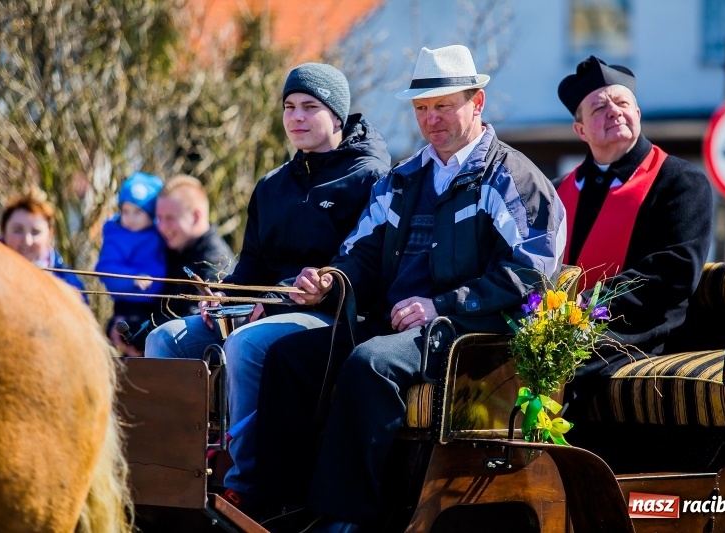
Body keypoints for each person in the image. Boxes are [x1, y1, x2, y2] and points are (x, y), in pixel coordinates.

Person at [246, 45, 566, 532]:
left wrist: (439, 305)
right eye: (421, 108)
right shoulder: (403, 178)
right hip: (397, 324)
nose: (431, 119)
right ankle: (277, 508)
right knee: (291, 357)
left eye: (443, 105)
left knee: (370, 364)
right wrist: (330, 280)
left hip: (468, 330)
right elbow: (363, 253)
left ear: (476, 103)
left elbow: (532, 273)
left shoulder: (512, 177)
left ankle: (345, 519)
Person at [145, 63, 391, 502]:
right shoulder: (271, 185)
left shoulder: (370, 179)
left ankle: (244, 486)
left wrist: (278, 302)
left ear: (337, 115)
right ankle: (167, 473)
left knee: (247, 345)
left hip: (328, 317)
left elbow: (358, 268)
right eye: (289, 107)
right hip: (264, 307)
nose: (296, 117)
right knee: (166, 340)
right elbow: (251, 265)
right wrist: (226, 295)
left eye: (310, 107)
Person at [554, 56, 713, 384]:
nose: (613, 110)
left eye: (622, 102)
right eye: (599, 108)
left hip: (641, 332)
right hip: (565, 325)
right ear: (580, 130)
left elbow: (677, 268)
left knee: (554, 364)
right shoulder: (556, 193)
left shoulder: (679, 182)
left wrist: (595, 302)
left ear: (637, 113)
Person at [95, 171, 166, 356]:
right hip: (130, 307)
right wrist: (132, 278)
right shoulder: (117, 236)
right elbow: (107, 269)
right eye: (125, 211)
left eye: (137, 212)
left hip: (158, 305)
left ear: (151, 214)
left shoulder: (160, 234)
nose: (130, 218)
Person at [153, 174, 236, 320]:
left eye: (170, 218)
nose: (162, 227)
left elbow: (193, 320)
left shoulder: (216, 262)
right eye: (159, 218)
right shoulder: (171, 251)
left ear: (196, 216)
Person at [0, 190, 86, 297]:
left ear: (50, 234)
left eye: (35, 232)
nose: (27, 240)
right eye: (18, 230)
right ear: (3, 231)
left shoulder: (68, 282)